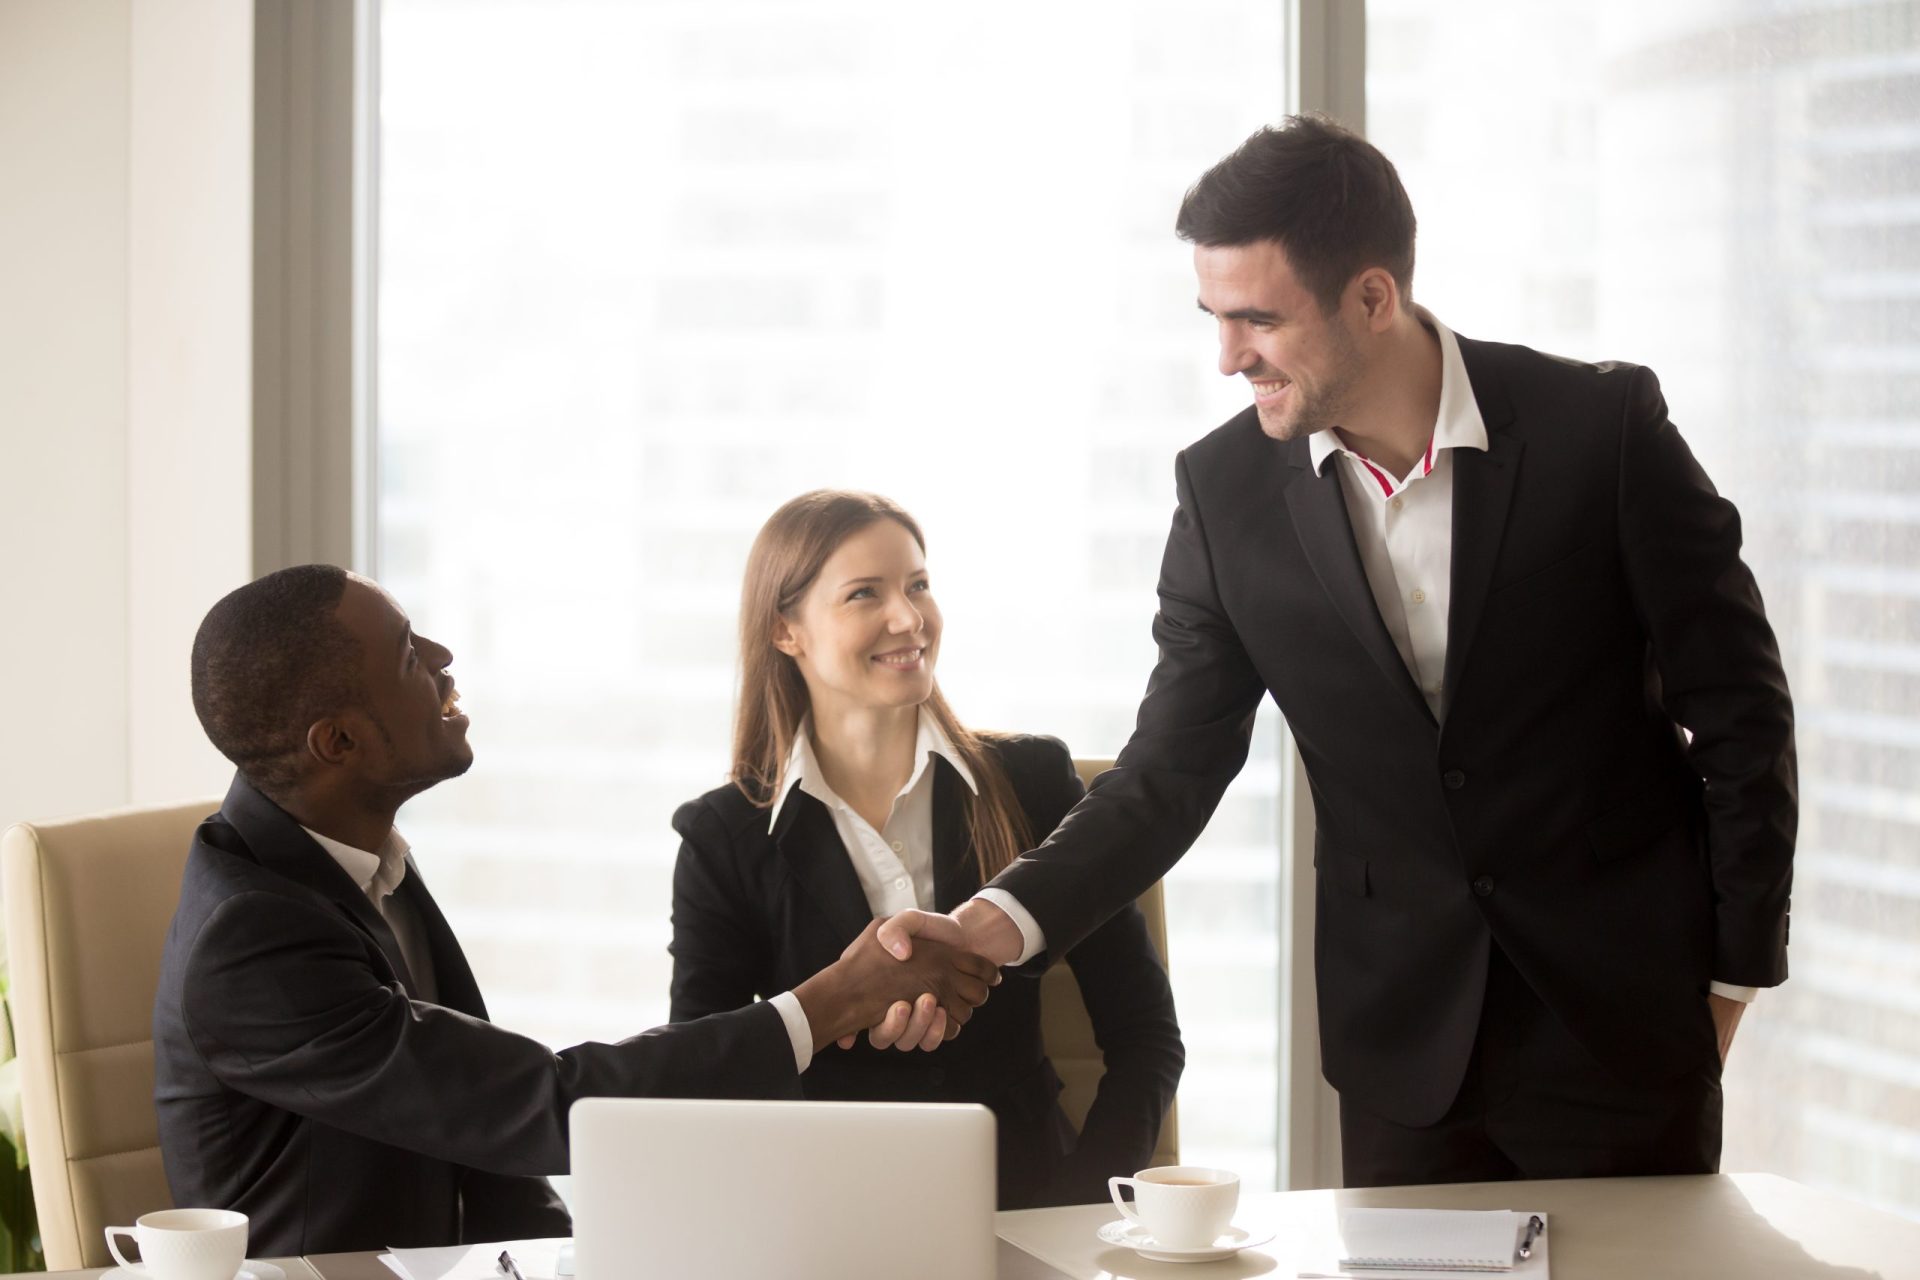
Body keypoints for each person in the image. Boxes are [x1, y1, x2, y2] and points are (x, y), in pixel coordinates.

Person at [875, 116, 1796, 1187]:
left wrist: (1731, 979)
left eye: (1258, 319)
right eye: (1214, 318)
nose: (1227, 357)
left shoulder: (1604, 428)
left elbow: (1741, 711)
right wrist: (999, 917)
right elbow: (1170, 770)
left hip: (1624, 1021)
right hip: (1402, 1048)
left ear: (1372, 296)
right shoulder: (1222, 494)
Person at [154, 565, 997, 1255]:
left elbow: (477, 1140)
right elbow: (544, 1107)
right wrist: (834, 999)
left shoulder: (355, 860)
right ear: (337, 743)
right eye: (411, 655)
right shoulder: (251, 942)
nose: (446, 657)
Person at [668, 491, 1184, 1208]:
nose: (909, 618)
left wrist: (1084, 1204)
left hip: (1027, 1205)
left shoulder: (1032, 782)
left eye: (918, 585)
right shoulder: (722, 836)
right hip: (826, 1218)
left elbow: (1146, 1034)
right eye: (864, 594)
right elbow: (704, 1076)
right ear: (787, 631)